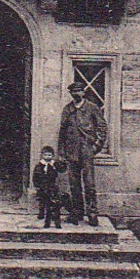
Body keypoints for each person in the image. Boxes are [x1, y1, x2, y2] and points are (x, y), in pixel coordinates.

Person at [58, 79, 106, 226]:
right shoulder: (68, 109)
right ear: (71, 94)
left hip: (86, 150)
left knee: (89, 184)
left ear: (83, 92)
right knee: (74, 184)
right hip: (71, 150)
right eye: (73, 92)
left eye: (79, 91)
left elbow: (102, 128)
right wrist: (61, 153)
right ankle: (77, 213)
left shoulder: (92, 108)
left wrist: (96, 146)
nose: (76, 94)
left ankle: (92, 214)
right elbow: (62, 132)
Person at [32, 145, 65, 228]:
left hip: (51, 185)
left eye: (49, 155)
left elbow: (61, 169)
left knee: (52, 201)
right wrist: (37, 185)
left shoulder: (53, 164)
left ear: (52, 156)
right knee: (42, 200)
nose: (47, 157)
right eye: (46, 155)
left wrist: (58, 164)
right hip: (43, 186)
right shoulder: (40, 165)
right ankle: (41, 213)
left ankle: (53, 216)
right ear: (42, 155)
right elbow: (35, 176)